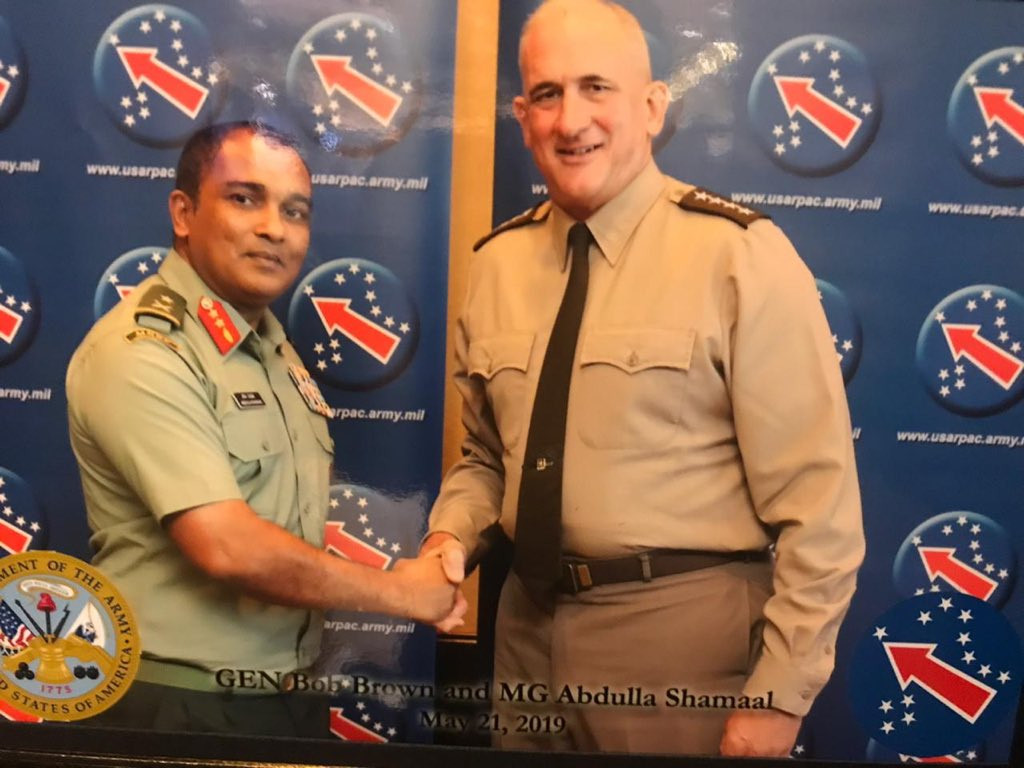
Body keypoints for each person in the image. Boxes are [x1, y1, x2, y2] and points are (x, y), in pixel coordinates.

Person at [423, 0, 863, 757]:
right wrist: (447, 535)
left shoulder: (739, 256)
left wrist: (779, 695)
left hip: (681, 644)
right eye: (548, 94)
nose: (571, 120)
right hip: (523, 637)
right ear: (522, 118)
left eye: (597, 87)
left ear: (654, 106)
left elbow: (819, 508)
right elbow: (489, 461)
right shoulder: (494, 265)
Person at [66, 121, 466, 736]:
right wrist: (404, 594)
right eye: (244, 199)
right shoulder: (144, 350)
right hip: (176, 703)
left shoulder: (270, 348)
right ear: (183, 212)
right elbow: (227, 545)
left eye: (295, 211)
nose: (275, 228)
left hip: (279, 696)